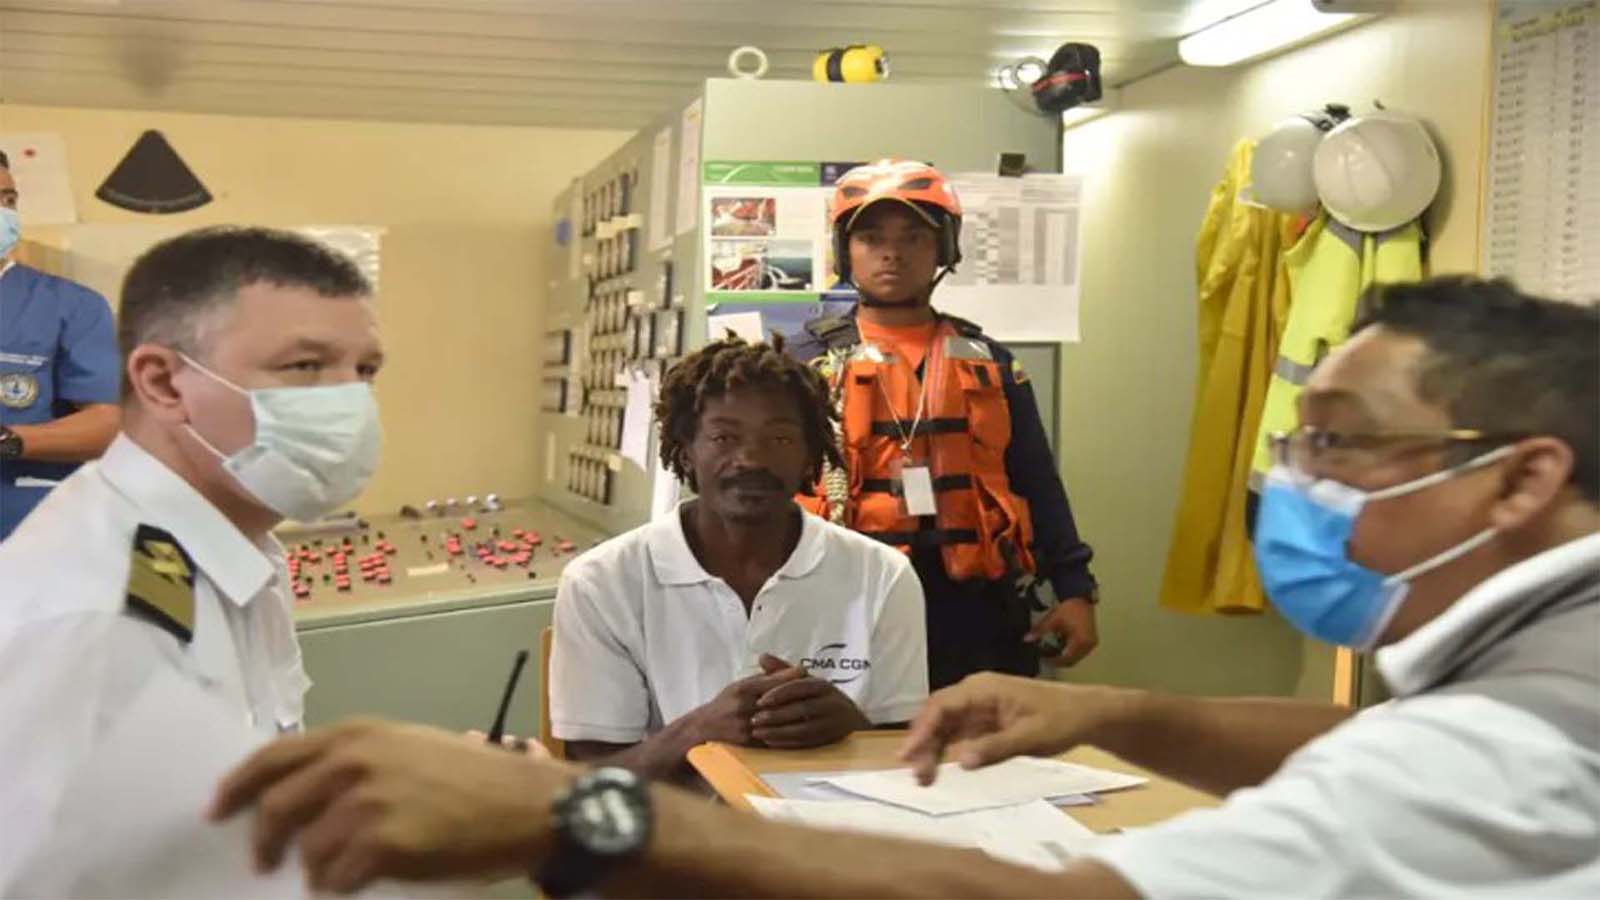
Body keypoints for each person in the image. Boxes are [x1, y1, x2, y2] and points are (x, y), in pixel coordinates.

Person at [212, 277, 1597, 898]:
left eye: (1337, 444)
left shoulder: (1519, 742)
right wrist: (1112, 710)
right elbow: (1373, 740)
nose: (1292, 481)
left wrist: (577, 820)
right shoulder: (1533, 668)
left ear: (1524, 479)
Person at [0, 226, 385, 892]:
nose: (349, 404)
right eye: (304, 367)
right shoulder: (93, 619)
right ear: (163, 383)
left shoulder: (230, 547)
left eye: (365, 372)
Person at [548, 334, 928, 780]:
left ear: (811, 455)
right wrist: (699, 731)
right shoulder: (601, 583)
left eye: (781, 438)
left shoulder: (883, 575)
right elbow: (593, 777)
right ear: (685, 449)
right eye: (724, 436)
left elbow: (904, 761)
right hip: (678, 840)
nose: (751, 458)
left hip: (825, 841)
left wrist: (851, 728)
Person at [788, 159, 1099, 689]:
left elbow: (1036, 479)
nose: (892, 252)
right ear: (846, 251)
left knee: (980, 755)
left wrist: (1074, 589)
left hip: (977, 607)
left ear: (943, 250)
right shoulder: (801, 364)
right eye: (870, 236)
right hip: (845, 598)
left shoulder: (991, 362)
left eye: (914, 236)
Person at [0, 149, 122, 540]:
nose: (5, 212)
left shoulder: (71, 307)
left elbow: (109, 424)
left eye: (8, 200)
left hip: (25, 531)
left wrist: (11, 441)